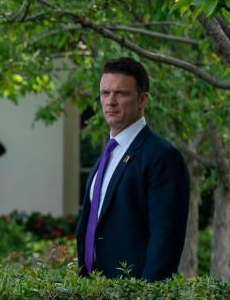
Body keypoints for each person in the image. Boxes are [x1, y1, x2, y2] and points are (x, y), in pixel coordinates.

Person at [75, 57, 189, 281]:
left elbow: (166, 240)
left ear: (142, 100)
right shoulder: (107, 155)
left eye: (121, 93)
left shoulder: (162, 156)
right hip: (94, 291)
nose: (111, 101)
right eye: (105, 93)